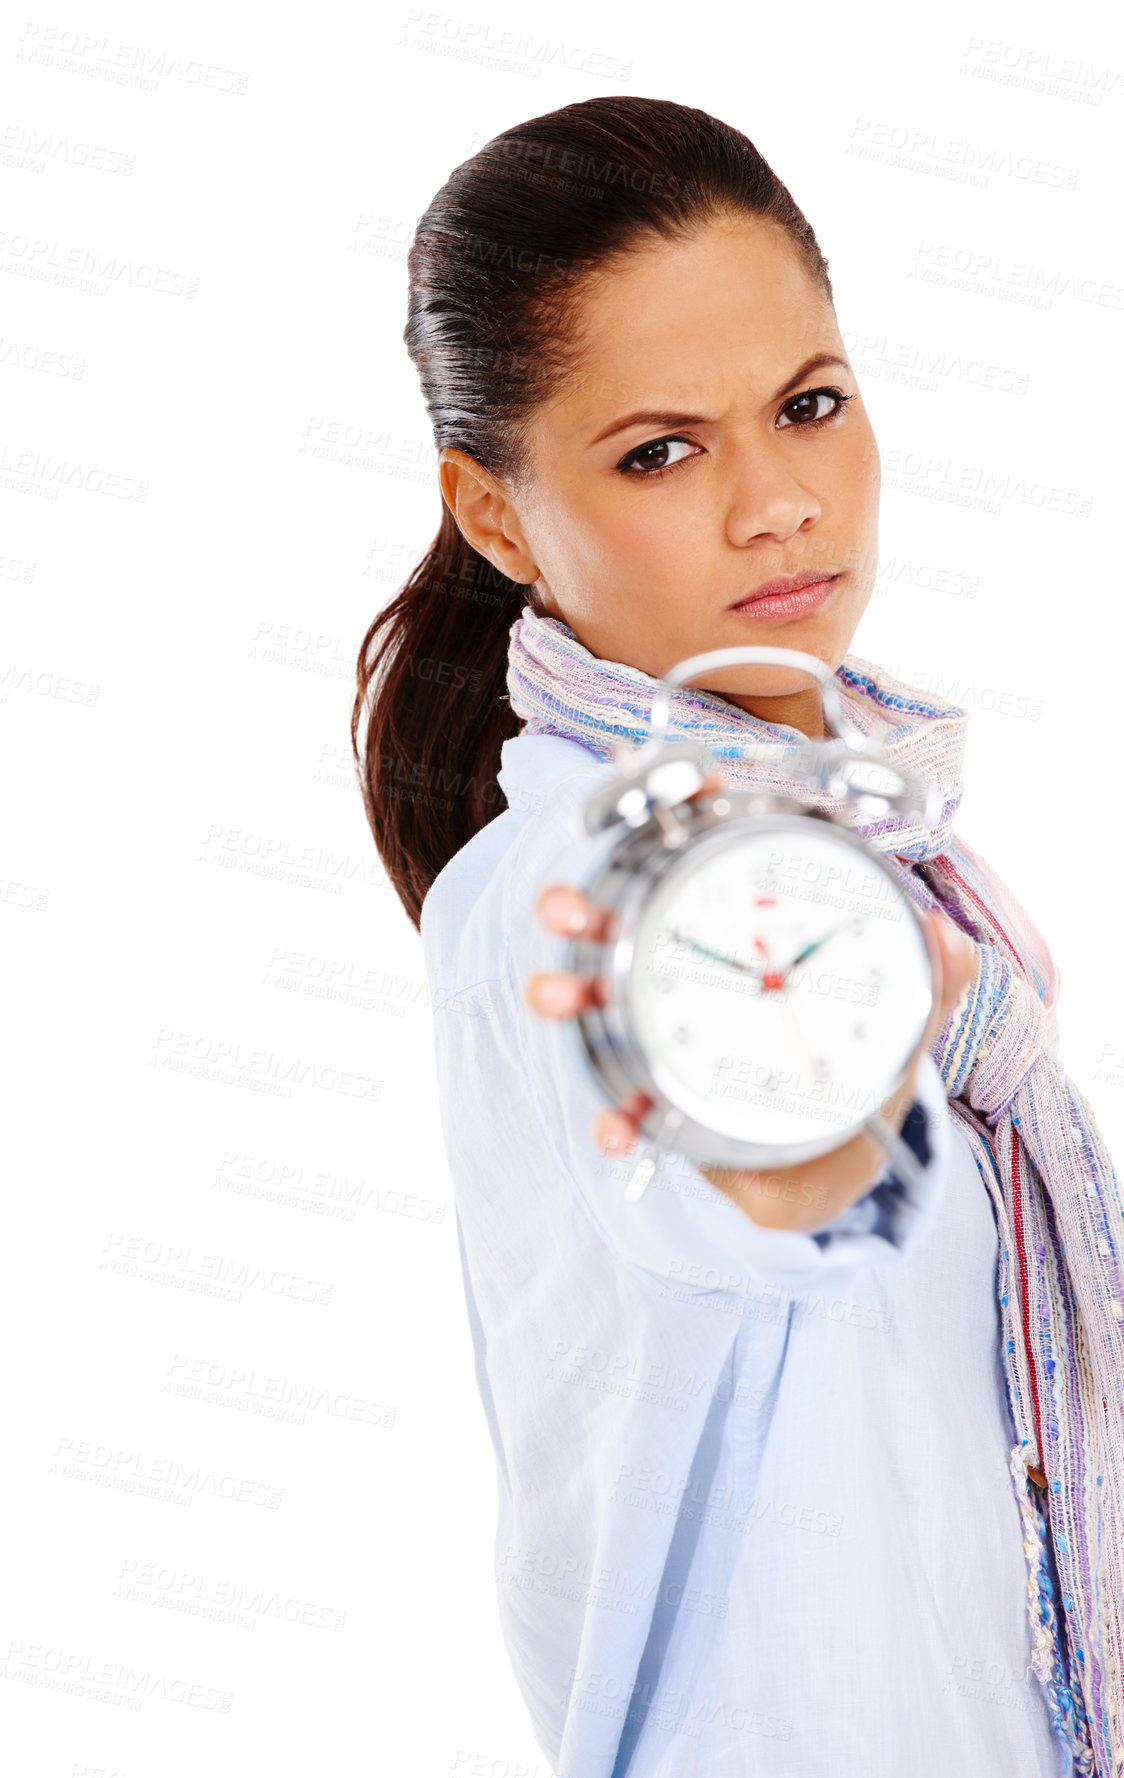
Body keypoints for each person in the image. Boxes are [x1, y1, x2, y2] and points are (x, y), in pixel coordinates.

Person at [352, 96, 1124, 1778]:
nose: (778, 502)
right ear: (494, 515)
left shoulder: (860, 835)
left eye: (809, 406)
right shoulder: (597, 872)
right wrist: (881, 1004)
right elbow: (760, 1190)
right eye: (660, 450)